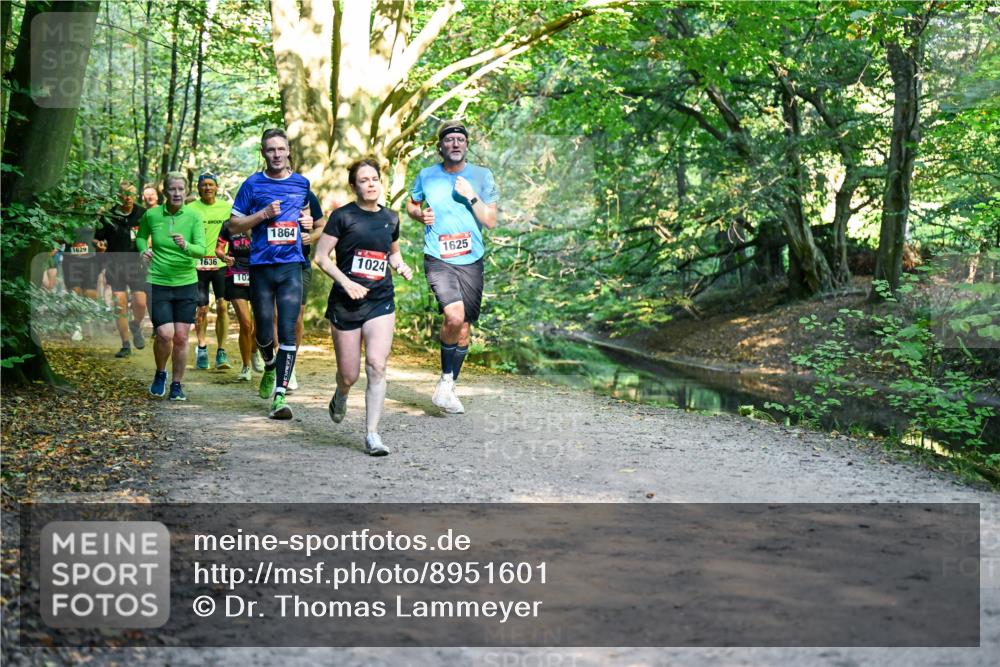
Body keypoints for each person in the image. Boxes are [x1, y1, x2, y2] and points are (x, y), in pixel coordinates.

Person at [316, 158, 412, 456]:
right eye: (363, 180)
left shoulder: (391, 218)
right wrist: (346, 283)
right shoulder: (342, 217)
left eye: (374, 179)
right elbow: (320, 257)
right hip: (346, 303)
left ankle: (372, 434)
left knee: (377, 365)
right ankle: (341, 394)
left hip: (380, 300)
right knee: (349, 375)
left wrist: (402, 266)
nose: (370, 184)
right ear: (354, 185)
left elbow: (391, 254)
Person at [406, 120, 498, 414]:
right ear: (441, 146)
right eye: (450, 140)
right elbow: (411, 205)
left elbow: (490, 220)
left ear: (466, 145)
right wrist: (420, 215)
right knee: (454, 318)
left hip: (471, 259)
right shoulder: (427, 175)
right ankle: (446, 381)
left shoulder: (482, 176)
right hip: (439, 256)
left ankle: (447, 385)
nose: (455, 144)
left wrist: (471, 195)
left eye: (460, 139)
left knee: (465, 330)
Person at [228, 128, 313, 420]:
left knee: (288, 328)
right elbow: (233, 226)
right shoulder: (252, 184)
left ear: (289, 151)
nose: (276, 155)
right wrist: (262, 215)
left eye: (281, 149)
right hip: (262, 266)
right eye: (270, 150)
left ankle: (280, 395)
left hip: (291, 265)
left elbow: (308, 220)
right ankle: (269, 364)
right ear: (263, 153)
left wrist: (308, 226)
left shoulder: (302, 184)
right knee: (263, 330)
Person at [136, 172, 205, 401]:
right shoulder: (152, 214)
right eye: (172, 189)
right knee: (165, 334)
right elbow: (141, 236)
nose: (177, 193)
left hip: (186, 282)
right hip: (157, 281)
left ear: (186, 192)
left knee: (182, 337)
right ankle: (160, 373)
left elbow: (201, 249)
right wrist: (143, 250)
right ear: (165, 191)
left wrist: (186, 245)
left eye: (181, 189)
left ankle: (177, 384)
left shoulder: (194, 216)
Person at [95, 182, 147, 357]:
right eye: (124, 194)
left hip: (137, 264)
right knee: (120, 303)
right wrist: (100, 246)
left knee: (140, 302)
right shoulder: (109, 215)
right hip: (114, 263)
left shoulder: (143, 214)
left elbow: (152, 234)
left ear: (135, 195)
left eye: (131, 194)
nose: (128, 197)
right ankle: (125, 344)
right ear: (118, 196)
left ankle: (136, 325)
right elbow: (97, 239)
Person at [188, 172, 232, 370]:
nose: (207, 188)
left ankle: (222, 351)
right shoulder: (190, 209)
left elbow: (237, 230)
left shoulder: (227, 208)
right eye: (203, 185)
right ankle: (202, 348)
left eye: (210, 184)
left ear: (217, 187)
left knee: (223, 306)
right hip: (198, 265)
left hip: (222, 264)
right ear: (198, 188)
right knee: (202, 309)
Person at [216, 219, 254, 381]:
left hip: (259, 274)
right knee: (246, 324)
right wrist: (224, 257)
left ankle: (255, 351)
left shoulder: (263, 220)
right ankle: (246, 366)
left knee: (262, 325)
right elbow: (218, 249)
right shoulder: (229, 224)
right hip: (235, 274)